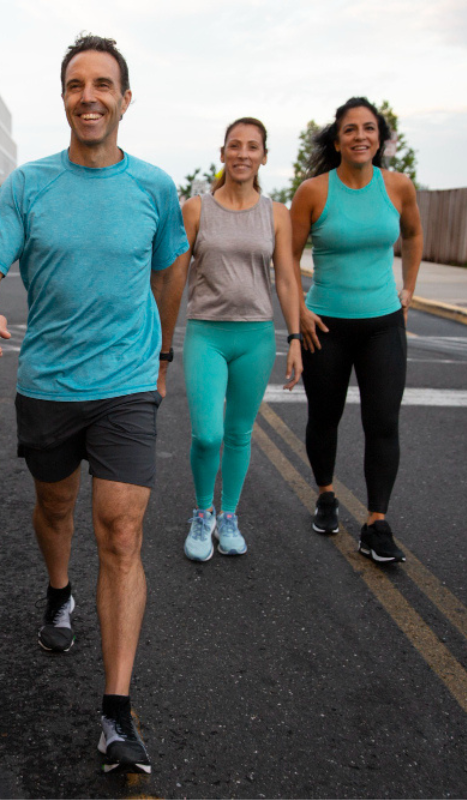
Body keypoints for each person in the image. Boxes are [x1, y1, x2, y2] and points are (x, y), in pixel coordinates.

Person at [0, 34, 188, 774]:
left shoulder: (154, 188)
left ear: (125, 98)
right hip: (49, 386)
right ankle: (58, 591)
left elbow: (170, 272)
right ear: (63, 97)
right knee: (56, 508)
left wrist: (159, 354)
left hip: (125, 387)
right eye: (74, 84)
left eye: (102, 84)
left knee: (121, 533)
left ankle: (116, 715)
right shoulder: (28, 186)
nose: (88, 95)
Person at [288, 97, 423, 563]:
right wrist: (298, 313)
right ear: (337, 139)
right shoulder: (313, 192)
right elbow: (286, 257)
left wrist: (409, 288)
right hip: (325, 325)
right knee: (325, 419)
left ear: (381, 138)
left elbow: (413, 235)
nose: (360, 136)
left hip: (383, 324)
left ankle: (376, 523)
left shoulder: (399, 186)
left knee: (382, 422)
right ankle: (326, 493)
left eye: (369, 128)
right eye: (350, 129)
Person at [180, 118, 303, 562]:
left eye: (253, 147)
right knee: (208, 434)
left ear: (264, 156)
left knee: (238, 433)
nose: (243, 154)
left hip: (256, 335)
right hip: (206, 334)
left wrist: (293, 338)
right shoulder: (197, 209)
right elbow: (174, 275)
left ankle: (228, 515)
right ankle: (202, 512)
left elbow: (287, 280)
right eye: (235, 146)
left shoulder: (276, 213)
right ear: (223, 153)